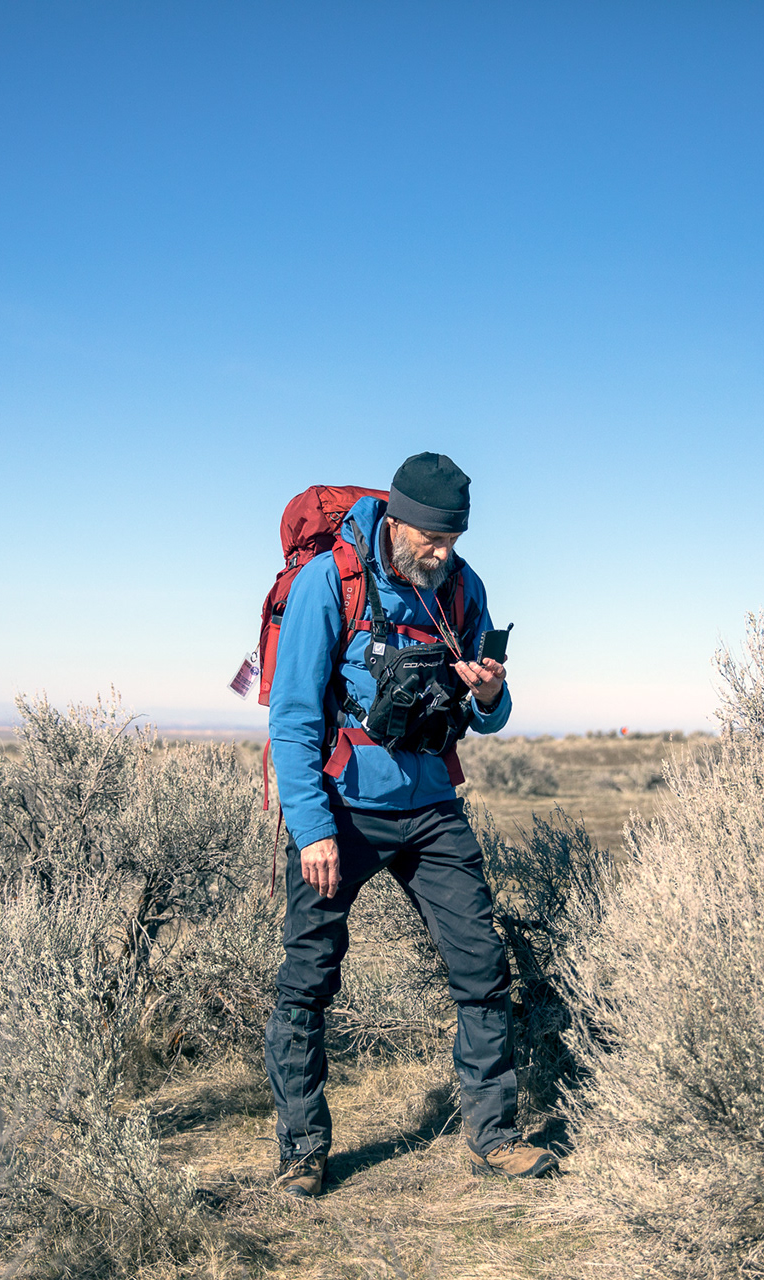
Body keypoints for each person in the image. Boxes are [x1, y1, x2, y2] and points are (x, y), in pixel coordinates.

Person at [263, 452, 558, 1198]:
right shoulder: (334, 580)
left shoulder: (462, 587)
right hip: (342, 811)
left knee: (481, 967)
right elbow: (294, 717)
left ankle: (495, 1136)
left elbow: (490, 717)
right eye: (433, 540)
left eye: (453, 541)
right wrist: (312, 829)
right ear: (397, 523)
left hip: (430, 808)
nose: (443, 553)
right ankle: (302, 1151)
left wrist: (491, 693)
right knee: (307, 980)